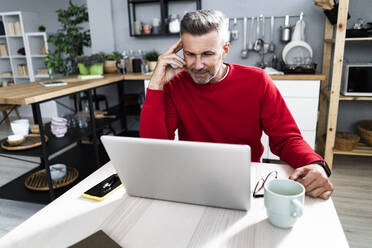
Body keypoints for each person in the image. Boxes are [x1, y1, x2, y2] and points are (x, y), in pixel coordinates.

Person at [140, 10, 334, 200]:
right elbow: (155, 150)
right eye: (190, 54)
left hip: (244, 182)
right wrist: (155, 85)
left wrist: (315, 164)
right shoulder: (176, 84)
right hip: (193, 180)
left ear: (225, 49)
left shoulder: (257, 81)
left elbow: (286, 138)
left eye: (207, 54)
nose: (197, 65)